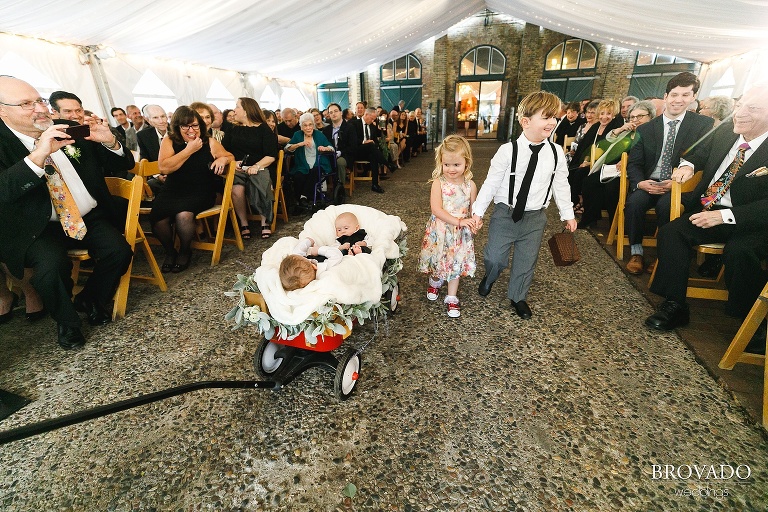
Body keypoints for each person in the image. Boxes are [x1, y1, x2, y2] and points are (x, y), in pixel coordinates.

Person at [0, 76, 135, 349]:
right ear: (3, 111)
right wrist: (38, 155)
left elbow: (123, 163)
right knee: (51, 270)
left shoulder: (70, 128)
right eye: (26, 104)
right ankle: (67, 322)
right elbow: (5, 191)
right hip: (40, 225)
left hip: (89, 215)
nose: (39, 108)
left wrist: (110, 142)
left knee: (119, 252)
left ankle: (91, 299)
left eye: (39, 100)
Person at [644, 84, 768, 336]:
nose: (739, 113)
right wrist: (688, 165)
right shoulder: (725, 130)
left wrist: (724, 215)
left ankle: (752, 324)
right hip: (709, 207)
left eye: (752, 108)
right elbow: (697, 153)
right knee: (671, 232)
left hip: (753, 220)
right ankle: (675, 304)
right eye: (739, 105)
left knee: (739, 251)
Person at [472, 91, 577, 320]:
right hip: (505, 214)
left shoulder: (556, 153)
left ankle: (518, 296)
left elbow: (561, 185)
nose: (552, 122)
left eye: (554, 117)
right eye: (546, 117)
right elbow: (491, 183)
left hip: (535, 218)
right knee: (495, 257)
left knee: (526, 261)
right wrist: (477, 212)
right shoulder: (507, 151)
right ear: (526, 121)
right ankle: (490, 276)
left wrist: (567, 214)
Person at [623, 72, 714, 274]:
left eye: (685, 95)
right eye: (674, 94)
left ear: (693, 98)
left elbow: (702, 157)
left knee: (667, 207)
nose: (678, 100)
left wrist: (680, 180)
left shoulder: (702, 125)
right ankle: (636, 252)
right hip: (649, 182)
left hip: (678, 185)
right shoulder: (645, 129)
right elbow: (635, 163)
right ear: (665, 97)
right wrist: (640, 183)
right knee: (634, 203)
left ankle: (662, 255)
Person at [151, 106, 233, 273]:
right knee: (158, 216)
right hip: (173, 190)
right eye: (185, 126)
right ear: (177, 127)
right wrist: (188, 150)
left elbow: (230, 156)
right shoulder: (169, 141)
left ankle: (184, 251)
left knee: (184, 215)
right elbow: (164, 168)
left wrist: (223, 159)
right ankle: (170, 251)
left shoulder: (209, 141)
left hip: (201, 190)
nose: (191, 130)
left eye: (195, 125)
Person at [417, 135, 478, 318]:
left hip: (460, 234)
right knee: (438, 261)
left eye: (456, 165)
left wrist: (476, 222)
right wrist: (458, 221)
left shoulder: (470, 185)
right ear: (441, 163)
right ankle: (435, 281)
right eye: (446, 165)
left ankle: (451, 297)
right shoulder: (439, 183)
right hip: (441, 230)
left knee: (456, 264)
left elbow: (474, 209)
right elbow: (436, 209)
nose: (451, 169)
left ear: (466, 163)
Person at [578, 100, 656, 228]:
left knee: (611, 188)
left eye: (640, 116)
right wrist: (619, 130)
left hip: (637, 172)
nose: (636, 120)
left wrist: (628, 160)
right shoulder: (628, 131)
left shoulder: (653, 133)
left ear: (651, 116)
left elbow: (649, 154)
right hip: (615, 169)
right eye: (632, 117)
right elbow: (608, 140)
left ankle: (617, 226)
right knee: (589, 181)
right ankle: (590, 218)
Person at [221, 97, 278, 240]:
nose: (234, 110)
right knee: (236, 189)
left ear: (246, 111)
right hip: (238, 169)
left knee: (261, 181)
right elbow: (224, 151)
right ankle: (244, 223)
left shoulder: (264, 129)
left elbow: (271, 155)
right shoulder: (232, 128)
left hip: (259, 167)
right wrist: (233, 162)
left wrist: (256, 166)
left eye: (237, 106)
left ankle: (265, 222)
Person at [285, 112, 335, 208]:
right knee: (298, 176)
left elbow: (331, 148)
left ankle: (303, 197)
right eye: (305, 125)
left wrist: (324, 148)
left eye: (310, 124)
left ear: (313, 125)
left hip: (319, 163)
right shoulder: (297, 135)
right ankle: (300, 203)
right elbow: (287, 148)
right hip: (302, 165)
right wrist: (300, 144)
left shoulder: (319, 135)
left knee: (315, 171)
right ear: (301, 127)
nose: (308, 128)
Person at [349, 107, 386, 193]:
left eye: (374, 119)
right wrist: (364, 142)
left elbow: (376, 141)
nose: (373, 121)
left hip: (369, 151)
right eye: (372, 118)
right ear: (366, 114)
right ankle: (387, 163)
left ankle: (375, 185)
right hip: (357, 150)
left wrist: (379, 129)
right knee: (370, 145)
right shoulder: (354, 123)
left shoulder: (372, 127)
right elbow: (353, 140)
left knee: (373, 155)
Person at [322, 103, 356, 187]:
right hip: (330, 155)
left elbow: (353, 146)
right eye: (331, 112)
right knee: (319, 161)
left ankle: (340, 189)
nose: (333, 114)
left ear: (341, 113)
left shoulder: (350, 127)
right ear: (329, 115)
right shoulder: (326, 130)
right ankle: (321, 190)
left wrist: (340, 152)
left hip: (346, 155)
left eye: (336, 111)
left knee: (339, 162)